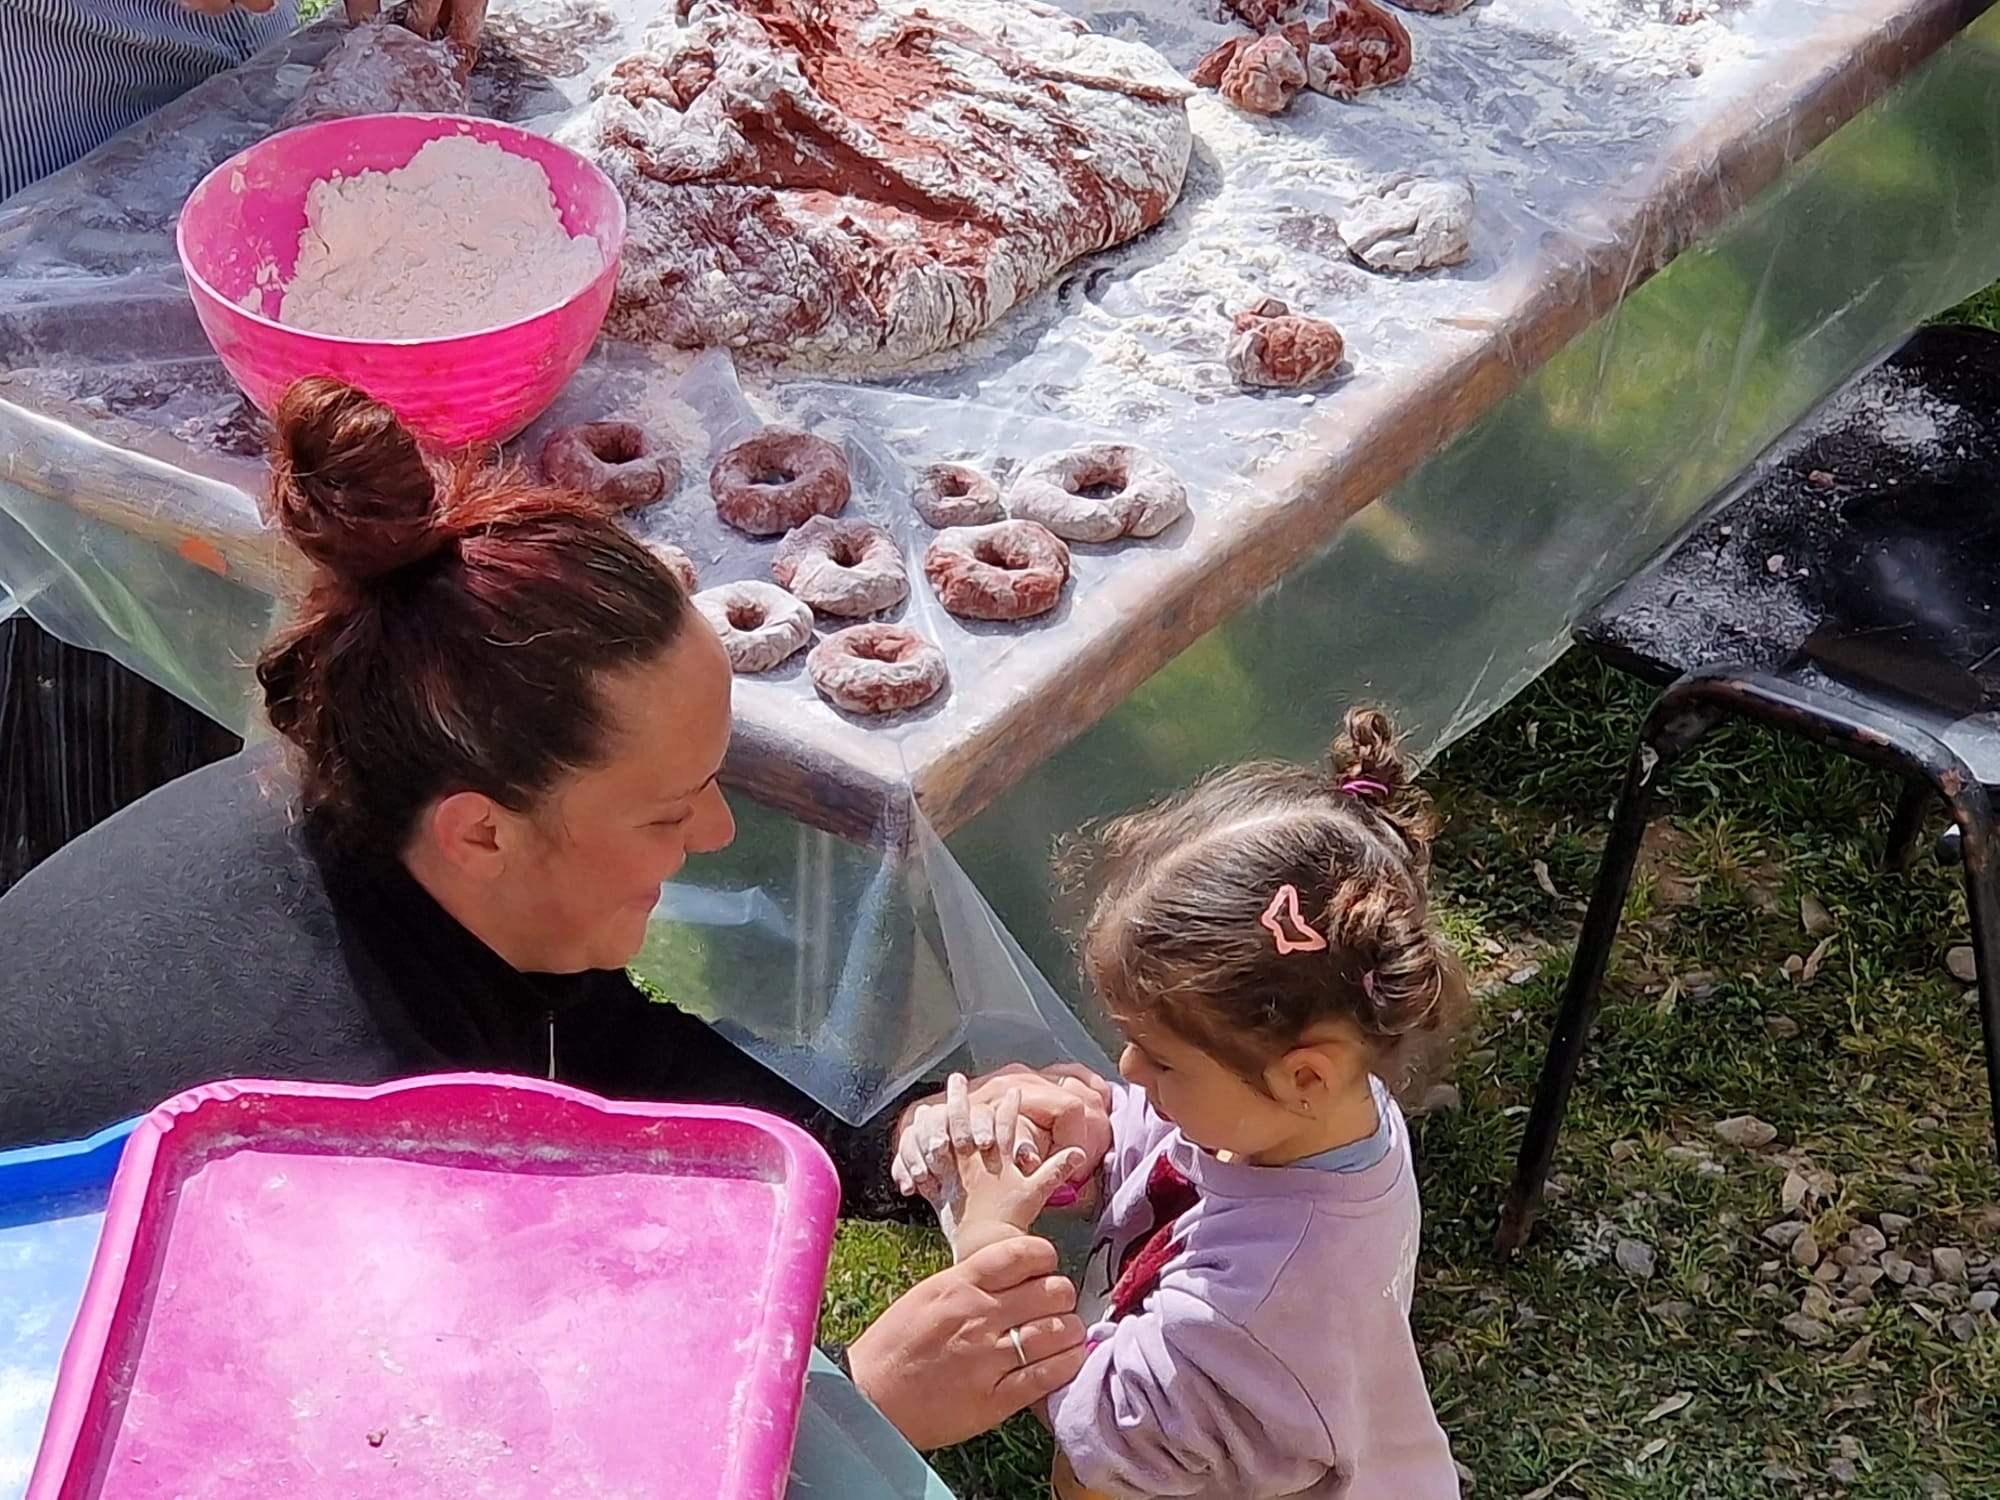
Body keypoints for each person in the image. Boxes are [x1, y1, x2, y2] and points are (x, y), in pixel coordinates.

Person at [0, 376, 1109, 1451]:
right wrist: (852, 1414)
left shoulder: (367, 799)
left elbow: (592, 1038)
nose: (716, 834)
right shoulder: (347, 1146)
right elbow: (467, 1460)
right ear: (481, 830)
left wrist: (903, 1141)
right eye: (668, 810)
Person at [918, 710, 1469, 1498]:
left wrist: (988, 1248)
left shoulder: (1261, 1305)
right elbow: (1178, 1151)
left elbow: (1109, 1434)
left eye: (1165, 1062)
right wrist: (1092, 1135)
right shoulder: (1316, 1116)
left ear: (1303, 1075)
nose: (1130, 1070)